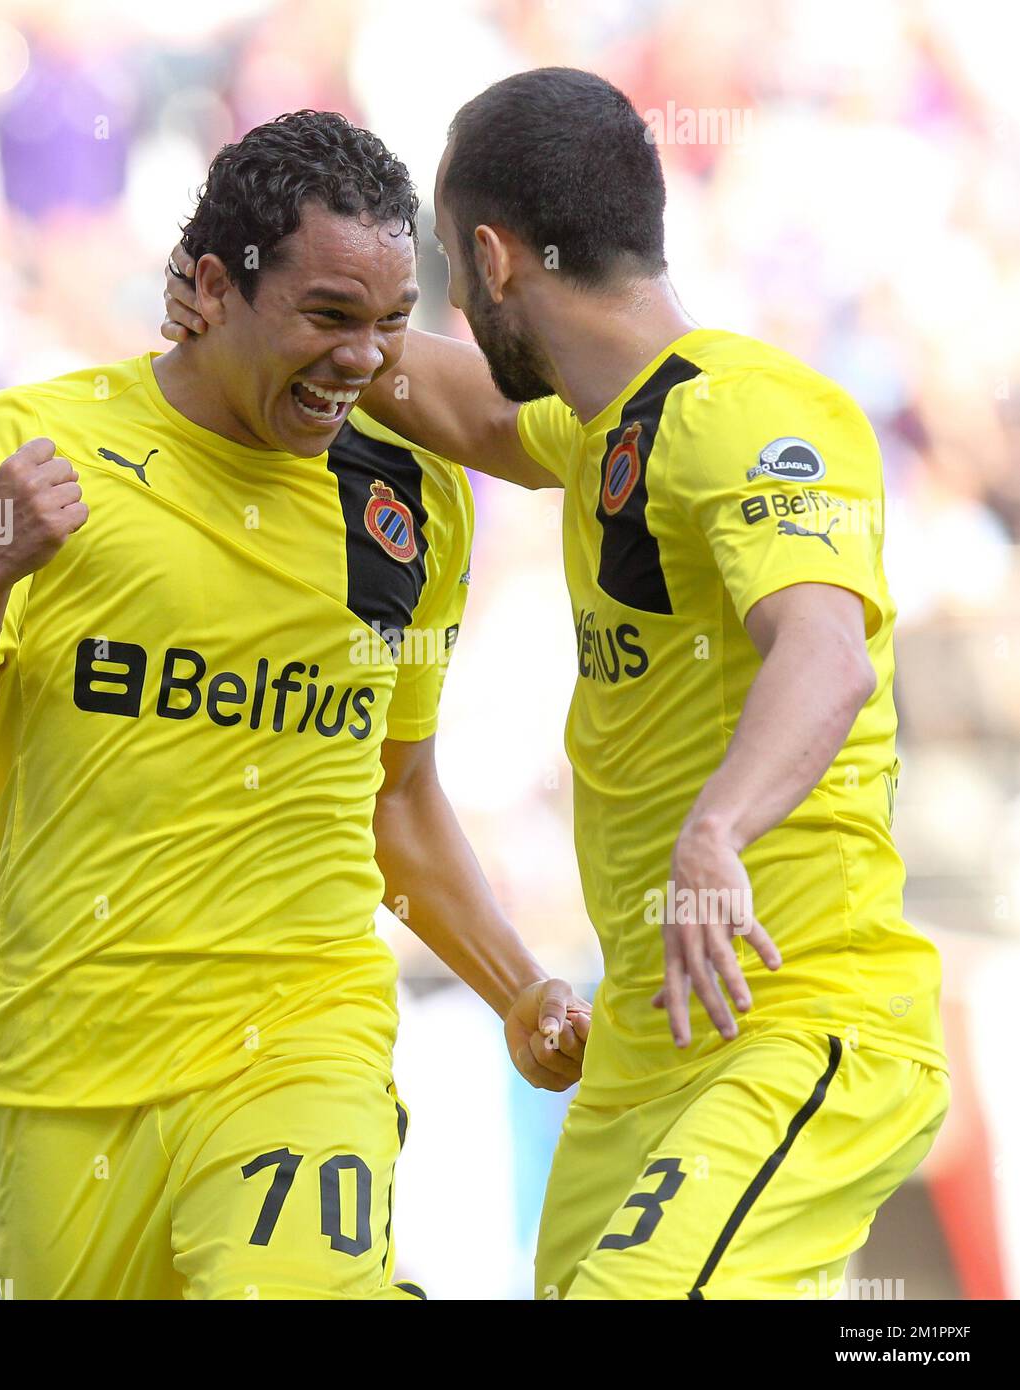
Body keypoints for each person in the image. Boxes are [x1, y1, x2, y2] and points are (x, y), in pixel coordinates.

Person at [164, 67, 950, 1301]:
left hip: (802, 1021)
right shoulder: (604, 425)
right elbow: (463, 412)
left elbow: (825, 652)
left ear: (490, 257)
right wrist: (270, 323)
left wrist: (717, 830)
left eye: (438, 277)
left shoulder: (753, 411)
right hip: (647, 1050)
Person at [0, 110, 588, 1302]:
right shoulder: (27, 453)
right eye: (326, 317)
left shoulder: (408, 500)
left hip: (304, 1035)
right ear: (212, 288)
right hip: (60, 1068)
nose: (364, 360)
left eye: (388, 323)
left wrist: (518, 984)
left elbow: (397, 795)